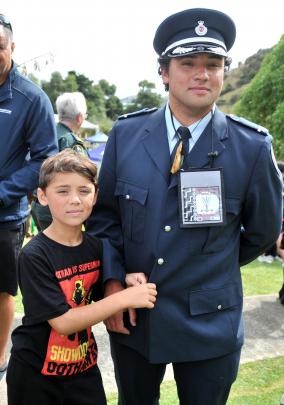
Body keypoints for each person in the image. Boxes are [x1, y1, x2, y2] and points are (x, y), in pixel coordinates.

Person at [86, 7, 283, 405]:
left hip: (211, 318)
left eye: (213, 64)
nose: (202, 73)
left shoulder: (252, 147)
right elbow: (105, 219)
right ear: (164, 72)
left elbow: (261, 230)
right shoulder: (126, 134)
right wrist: (112, 284)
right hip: (136, 316)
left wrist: (210, 262)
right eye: (188, 63)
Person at [6, 149, 157, 405]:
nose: (74, 200)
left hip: (83, 370)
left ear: (96, 196)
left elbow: (96, 291)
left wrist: (125, 279)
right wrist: (127, 298)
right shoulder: (34, 255)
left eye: (84, 191)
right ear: (42, 196)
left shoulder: (97, 247)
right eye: (62, 191)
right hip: (35, 376)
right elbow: (63, 322)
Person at [0, 13, 58, 381]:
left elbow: (45, 159)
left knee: (2, 291)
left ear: (12, 48)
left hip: (4, 217)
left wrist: (2, 192)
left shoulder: (31, 98)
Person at [31, 91, 88, 231]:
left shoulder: (44, 134)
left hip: (39, 206)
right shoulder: (70, 141)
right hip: (60, 211)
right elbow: (84, 179)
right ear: (80, 117)